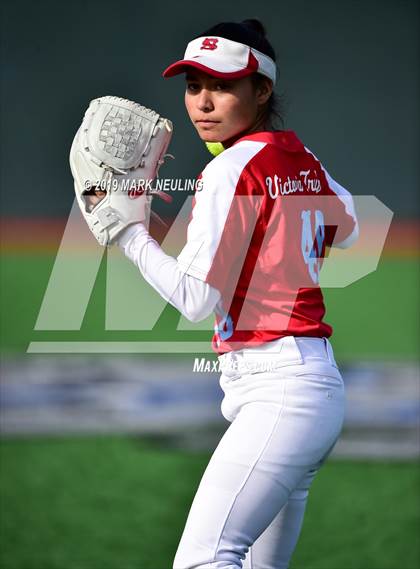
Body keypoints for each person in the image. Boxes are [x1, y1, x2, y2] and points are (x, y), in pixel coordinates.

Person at [115, 18, 359, 569]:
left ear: (262, 89)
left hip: (280, 391)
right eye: (193, 85)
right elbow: (350, 228)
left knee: (204, 560)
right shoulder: (297, 156)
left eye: (222, 85)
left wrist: (127, 235)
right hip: (308, 387)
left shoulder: (227, 169)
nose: (203, 102)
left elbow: (198, 300)